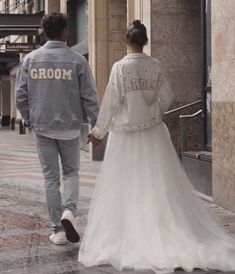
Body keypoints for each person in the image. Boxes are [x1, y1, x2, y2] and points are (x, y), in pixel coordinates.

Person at [78, 20, 235, 273]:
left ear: (126, 41)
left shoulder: (119, 68)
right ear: (146, 41)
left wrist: (98, 132)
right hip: (153, 133)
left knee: (126, 185)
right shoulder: (156, 66)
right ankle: (161, 229)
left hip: (125, 137)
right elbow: (168, 96)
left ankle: (130, 233)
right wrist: (153, 113)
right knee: (158, 184)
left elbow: (111, 102)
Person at [16, 13, 99, 245]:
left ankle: (58, 230)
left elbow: (21, 96)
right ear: (65, 32)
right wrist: (96, 126)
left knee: (51, 179)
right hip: (71, 128)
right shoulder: (77, 61)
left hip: (43, 128)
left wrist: (28, 119)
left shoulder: (30, 60)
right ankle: (69, 212)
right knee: (71, 173)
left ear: (44, 32)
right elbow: (89, 97)